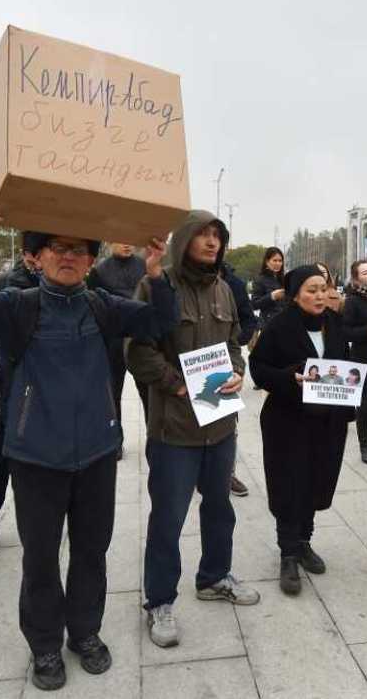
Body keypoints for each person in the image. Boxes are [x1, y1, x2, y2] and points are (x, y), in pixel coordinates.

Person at [0, 187, 177, 691]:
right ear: (38, 256)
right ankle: (45, 645)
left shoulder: (104, 306)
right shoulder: (14, 306)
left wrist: (156, 272)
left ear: (91, 261)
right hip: (35, 456)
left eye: (79, 251)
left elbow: (160, 321)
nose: (68, 257)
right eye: (58, 249)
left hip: (96, 453)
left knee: (92, 551)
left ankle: (84, 633)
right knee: (40, 558)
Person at [126, 210, 258, 650]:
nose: (211, 241)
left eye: (217, 235)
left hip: (220, 423)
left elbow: (234, 343)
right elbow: (137, 351)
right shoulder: (155, 285)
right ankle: (160, 600)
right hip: (174, 427)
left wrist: (237, 371)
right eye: (202, 234)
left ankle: (214, 576)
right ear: (183, 240)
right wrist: (175, 385)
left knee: (219, 507)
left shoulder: (223, 289)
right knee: (168, 517)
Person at [249, 265, 352, 596]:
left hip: (327, 422)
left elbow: (346, 366)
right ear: (295, 294)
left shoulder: (335, 323)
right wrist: (288, 376)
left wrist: (350, 398)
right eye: (311, 289)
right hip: (287, 421)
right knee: (289, 484)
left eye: (323, 288)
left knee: (316, 481)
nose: (320, 295)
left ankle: (305, 541)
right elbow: (258, 369)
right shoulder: (280, 326)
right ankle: (288, 554)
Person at [0, 240, 41, 557]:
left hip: (54, 387)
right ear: (29, 255)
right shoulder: (5, 284)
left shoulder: (68, 284)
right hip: (14, 385)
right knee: (1, 454)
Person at [88, 242, 148, 460]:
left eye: (131, 239)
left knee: (149, 393)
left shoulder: (145, 266)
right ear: (110, 241)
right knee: (112, 394)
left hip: (141, 341)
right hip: (112, 342)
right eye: (121, 238)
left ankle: (157, 440)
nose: (127, 244)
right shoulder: (99, 271)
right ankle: (115, 441)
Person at [219, 260, 259, 497]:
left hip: (222, 361)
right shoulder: (172, 280)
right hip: (185, 367)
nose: (211, 244)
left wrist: (234, 342)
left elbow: (248, 320)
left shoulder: (233, 284)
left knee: (228, 422)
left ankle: (227, 473)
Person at [250, 247, 286, 327]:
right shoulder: (260, 280)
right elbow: (254, 304)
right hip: (268, 325)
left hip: (285, 324)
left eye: (280, 261)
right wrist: (272, 296)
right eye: (275, 260)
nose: (278, 263)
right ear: (267, 261)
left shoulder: (285, 279)